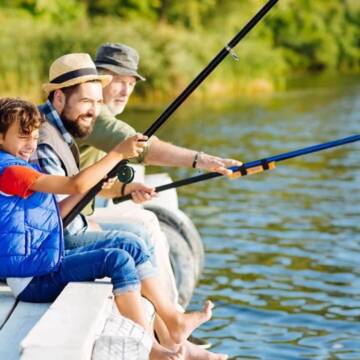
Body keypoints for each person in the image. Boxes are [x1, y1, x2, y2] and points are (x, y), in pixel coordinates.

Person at [0, 97, 218, 360]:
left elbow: (57, 210)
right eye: (23, 137)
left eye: (34, 137)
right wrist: (118, 153)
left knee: (126, 250)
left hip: (43, 262)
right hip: (32, 279)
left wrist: (97, 185)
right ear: (1, 137)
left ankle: (163, 331)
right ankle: (149, 347)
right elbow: (74, 185)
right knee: (117, 260)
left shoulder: (19, 167)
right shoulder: (10, 172)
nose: (31, 144)